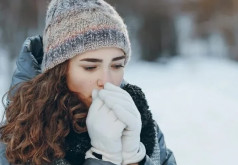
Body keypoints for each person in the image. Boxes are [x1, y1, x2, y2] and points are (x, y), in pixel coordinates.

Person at [0, 0, 177, 164]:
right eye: (90, 67)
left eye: (116, 65)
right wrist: (102, 158)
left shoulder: (143, 126)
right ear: (59, 71)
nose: (107, 81)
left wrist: (134, 158)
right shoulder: (19, 138)